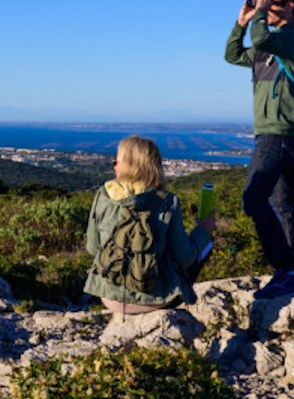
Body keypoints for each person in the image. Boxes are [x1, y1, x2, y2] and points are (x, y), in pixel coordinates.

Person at [224, 0, 294, 300]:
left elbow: (262, 35)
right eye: (265, 2)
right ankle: (293, 268)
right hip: (273, 130)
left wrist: (259, 17)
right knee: (282, 202)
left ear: (290, 7)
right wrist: (240, 24)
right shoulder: (268, 45)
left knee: (254, 200)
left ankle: (287, 269)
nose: (266, 7)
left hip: (280, 130)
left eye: (272, 2)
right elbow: (233, 54)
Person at [83, 135, 215, 314]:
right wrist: (203, 229)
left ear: (126, 165)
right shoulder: (168, 202)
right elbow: (185, 258)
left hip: (110, 297)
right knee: (203, 244)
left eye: (116, 161)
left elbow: (93, 248)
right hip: (157, 299)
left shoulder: (102, 197)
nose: (114, 165)